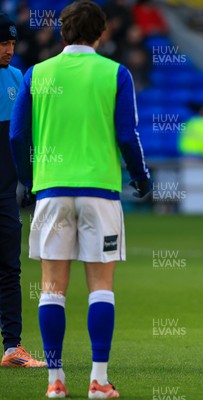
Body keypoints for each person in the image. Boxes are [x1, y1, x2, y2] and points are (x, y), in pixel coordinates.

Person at [10, 1, 151, 398]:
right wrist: (141, 177)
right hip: (100, 192)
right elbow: (128, 135)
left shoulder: (37, 73)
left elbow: (18, 136)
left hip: (51, 190)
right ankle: (99, 380)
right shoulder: (115, 73)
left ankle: (55, 382)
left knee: (52, 288)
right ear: (102, 33)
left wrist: (29, 180)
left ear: (61, 32)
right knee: (101, 287)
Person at [0, 12, 46, 369]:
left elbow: (27, 136)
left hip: (4, 194)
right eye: (3, 43)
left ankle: (13, 346)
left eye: (12, 43)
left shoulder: (18, 78)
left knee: (9, 269)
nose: (9, 50)